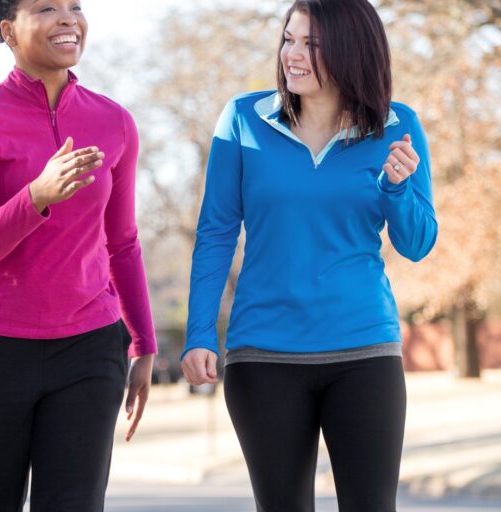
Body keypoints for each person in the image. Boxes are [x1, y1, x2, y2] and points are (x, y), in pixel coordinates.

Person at [181, 0, 437, 510]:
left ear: (350, 51)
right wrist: (200, 333)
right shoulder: (243, 119)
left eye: (311, 44)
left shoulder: (397, 125)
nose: (291, 55)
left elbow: (417, 243)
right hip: (264, 355)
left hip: (364, 351)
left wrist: (395, 189)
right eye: (288, 39)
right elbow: (216, 233)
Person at [0, 1, 157, 510]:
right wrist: (36, 195)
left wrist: (143, 343)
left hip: (89, 346)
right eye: (46, 8)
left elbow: (122, 242)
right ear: (9, 30)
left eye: (75, 6)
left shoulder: (114, 122)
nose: (68, 18)